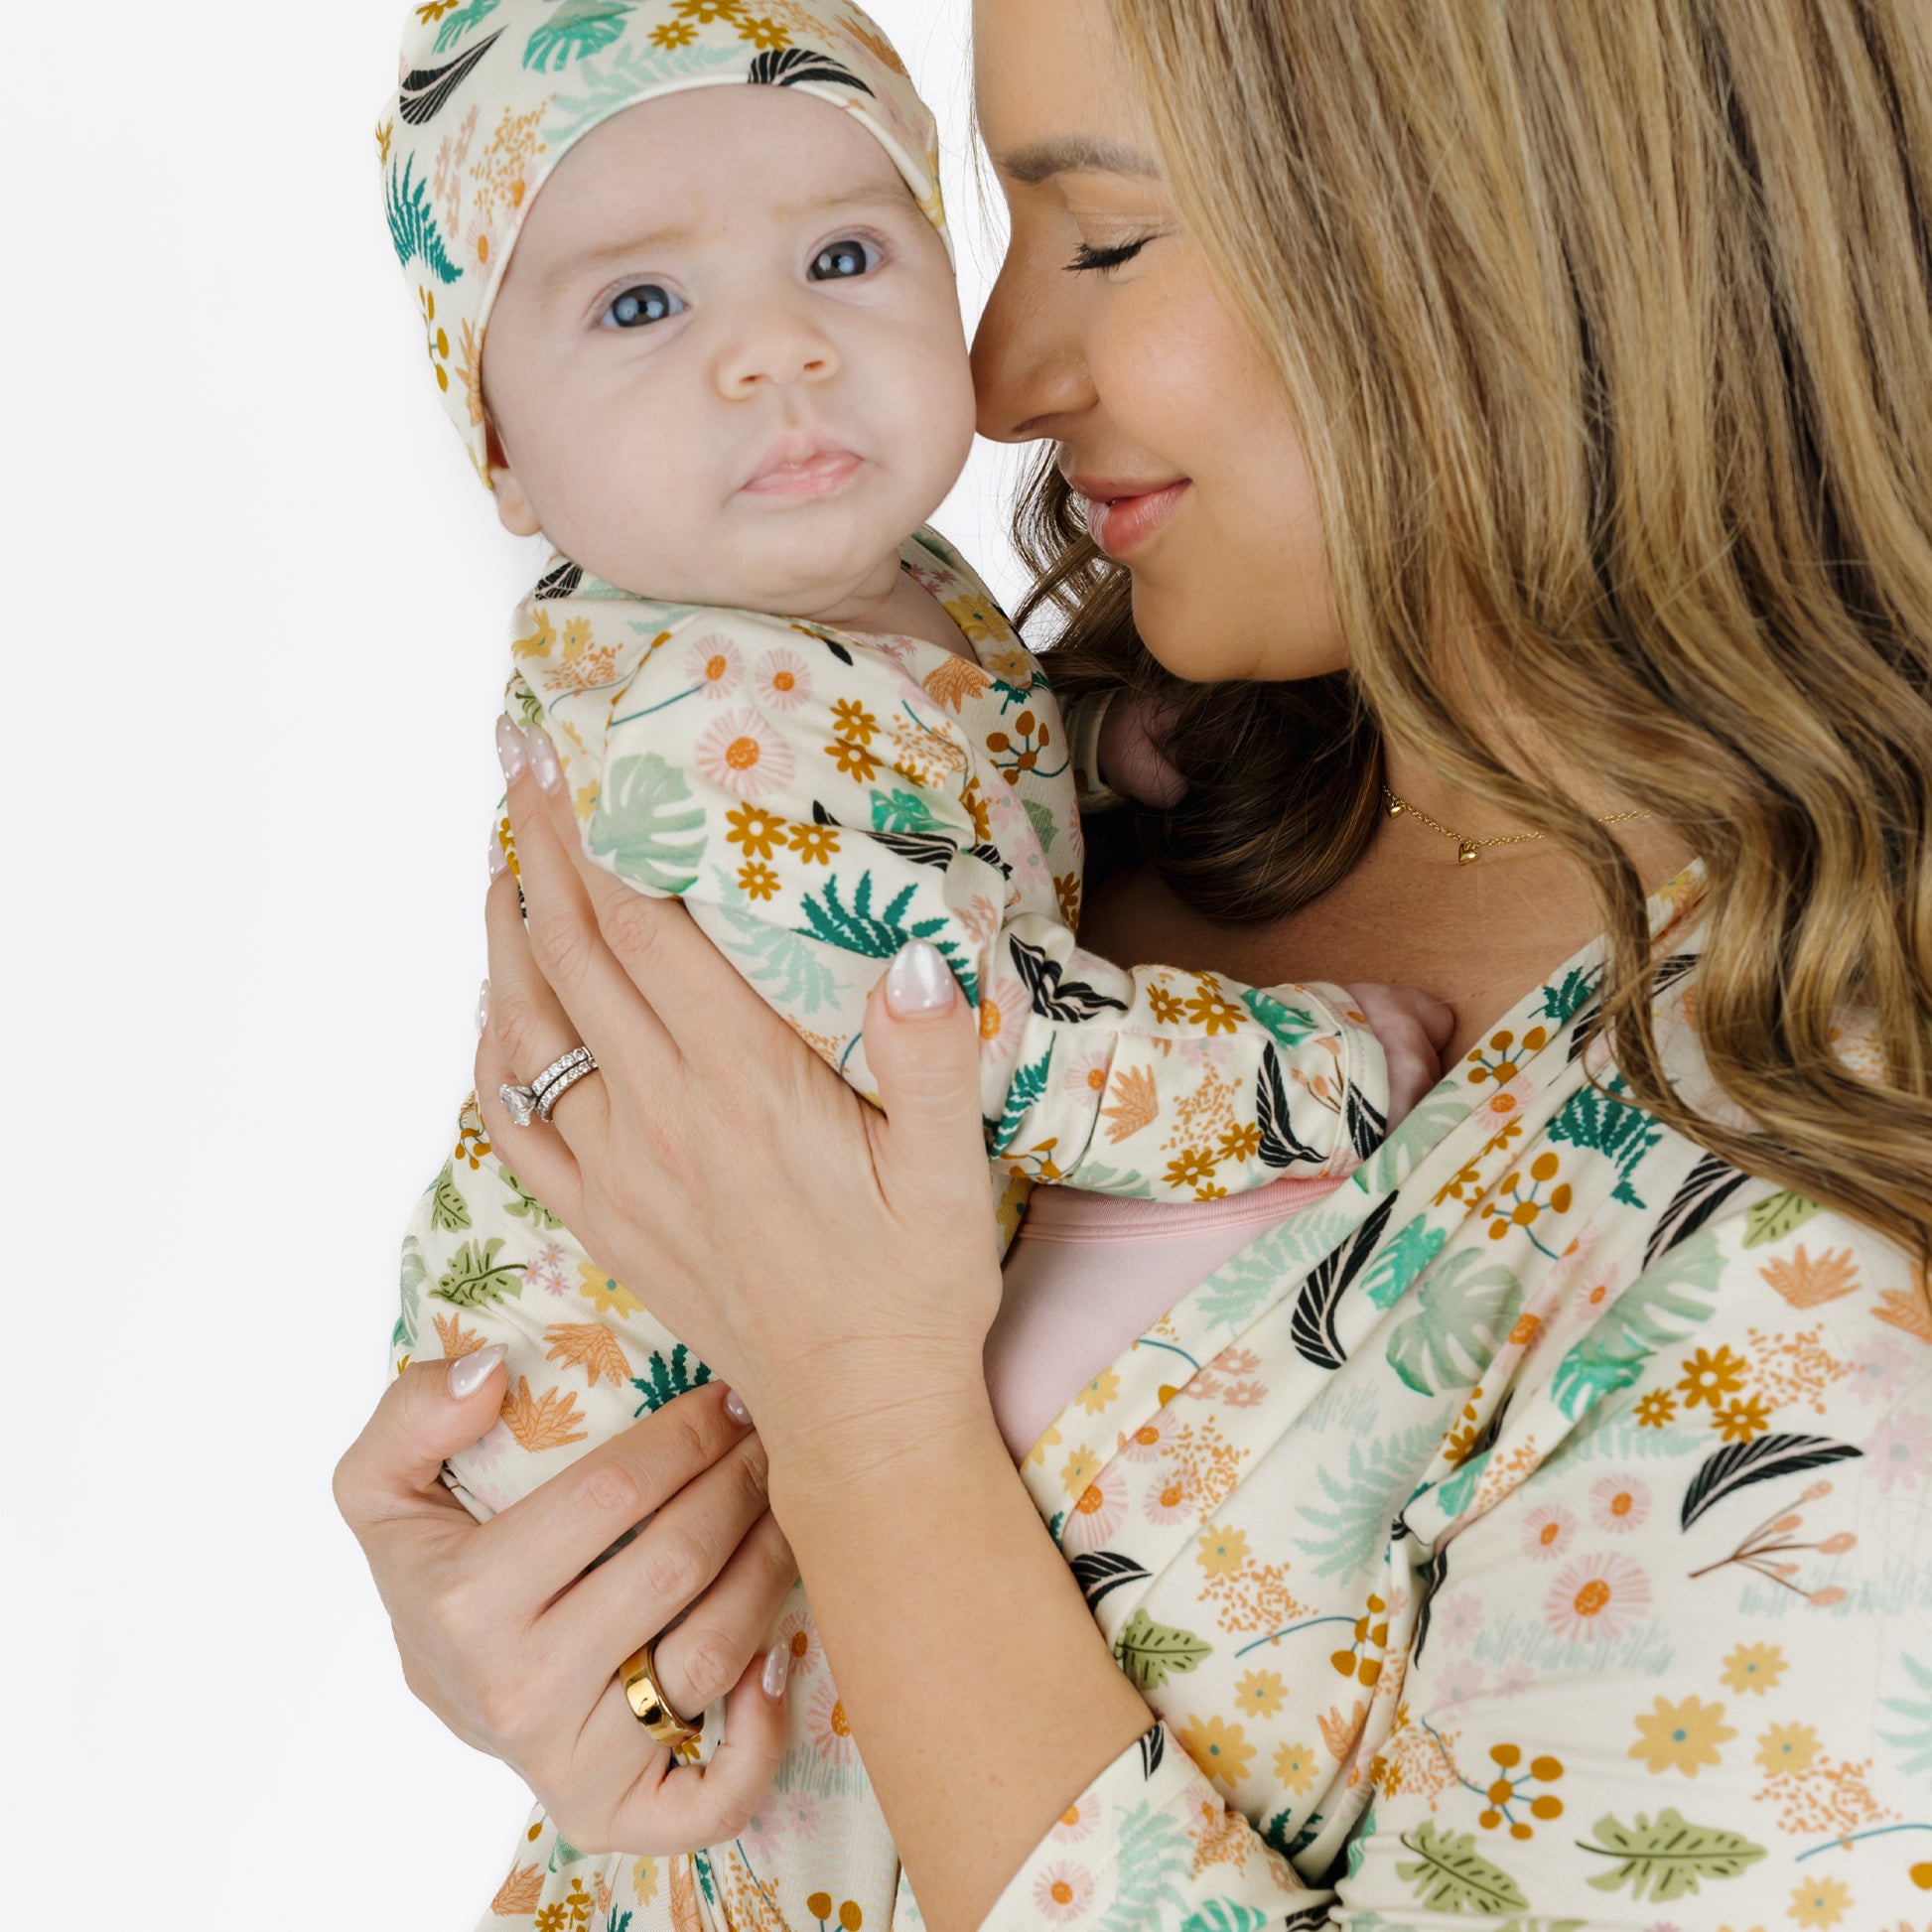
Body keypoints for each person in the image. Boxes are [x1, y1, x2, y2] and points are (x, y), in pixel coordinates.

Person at [337, 0, 1932, 1927]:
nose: (995, 375)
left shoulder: (1813, 1210)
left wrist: (867, 1420)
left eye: (1097, 237)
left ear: (1523, 250)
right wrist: (550, 1588)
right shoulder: (1097, 735)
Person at [374, 3, 1446, 1923]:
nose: (778, 346)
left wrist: (1090, 754)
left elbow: (950, 759)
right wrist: (1307, 1069)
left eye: (848, 259)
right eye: (638, 309)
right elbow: (974, 1039)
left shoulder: (865, 594)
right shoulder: (701, 711)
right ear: (502, 452)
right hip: (656, 1477)